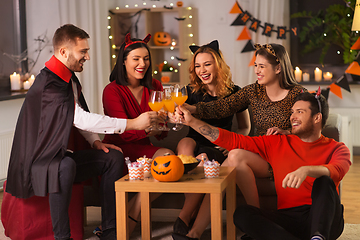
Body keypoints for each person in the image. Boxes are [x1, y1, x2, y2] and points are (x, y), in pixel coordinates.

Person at [5, 24, 161, 240]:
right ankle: (63, 237)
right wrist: (133, 123)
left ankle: (110, 230)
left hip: (58, 156)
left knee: (112, 157)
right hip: (39, 162)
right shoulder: (49, 83)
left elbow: (77, 114)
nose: (87, 57)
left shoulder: (67, 77)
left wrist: (96, 143)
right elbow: (79, 118)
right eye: (83, 52)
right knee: (66, 165)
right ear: (63, 52)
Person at [175, 91, 351, 240]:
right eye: (292, 112)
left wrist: (307, 170)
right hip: (290, 217)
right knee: (243, 214)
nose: (292, 117)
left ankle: (318, 236)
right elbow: (234, 140)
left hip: (325, 219)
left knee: (324, 181)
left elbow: (336, 171)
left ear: (317, 118)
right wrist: (191, 122)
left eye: (300, 112)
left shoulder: (337, 147)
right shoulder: (278, 142)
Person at [183, 43, 306, 211]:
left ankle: (253, 217)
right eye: (255, 65)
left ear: (278, 68)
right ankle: (195, 230)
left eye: (261, 66)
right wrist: (194, 108)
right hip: (260, 152)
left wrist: (288, 132)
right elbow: (221, 107)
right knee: (229, 162)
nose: (256, 70)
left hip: (285, 155)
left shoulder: (298, 94)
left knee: (233, 157)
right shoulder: (253, 91)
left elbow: (311, 126)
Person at [173, 40, 250, 236]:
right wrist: (174, 115)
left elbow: (245, 127)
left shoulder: (235, 92)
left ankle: (184, 216)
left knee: (202, 161)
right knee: (185, 143)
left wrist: (233, 143)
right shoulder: (189, 92)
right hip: (193, 141)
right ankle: (188, 214)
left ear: (218, 65)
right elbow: (178, 118)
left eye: (207, 64)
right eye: (197, 66)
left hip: (217, 145)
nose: (202, 70)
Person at [102, 32, 174, 234]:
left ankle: (128, 215)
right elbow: (123, 132)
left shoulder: (156, 86)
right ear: (123, 62)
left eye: (146, 58)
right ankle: (129, 223)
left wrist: (162, 124)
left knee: (169, 158)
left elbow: (160, 134)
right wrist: (149, 128)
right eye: (136, 59)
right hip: (118, 151)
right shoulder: (112, 91)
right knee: (154, 168)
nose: (142, 63)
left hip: (144, 149)